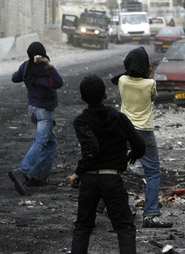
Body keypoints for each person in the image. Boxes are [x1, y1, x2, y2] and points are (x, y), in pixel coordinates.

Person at [70, 74, 146, 254]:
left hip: (89, 179)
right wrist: (128, 156)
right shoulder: (119, 118)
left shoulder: (81, 121)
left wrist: (77, 173)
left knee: (83, 227)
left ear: (82, 97)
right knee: (124, 227)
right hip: (112, 178)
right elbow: (140, 146)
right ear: (105, 95)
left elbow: (91, 150)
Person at [111, 47, 173, 228]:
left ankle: (102, 206)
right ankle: (151, 213)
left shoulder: (122, 81)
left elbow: (118, 77)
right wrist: (148, 73)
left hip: (124, 129)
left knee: (115, 167)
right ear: (146, 66)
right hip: (143, 131)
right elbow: (152, 99)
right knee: (152, 171)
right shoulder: (150, 84)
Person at [8, 41, 63, 195]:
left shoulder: (26, 66)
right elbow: (58, 83)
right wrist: (50, 65)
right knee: (40, 142)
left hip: (32, 110)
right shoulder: (46, 69)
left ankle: (37, 176)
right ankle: (23, 171)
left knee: (50, 142)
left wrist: (25, 72)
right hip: (44, 112)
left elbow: (15, 78)